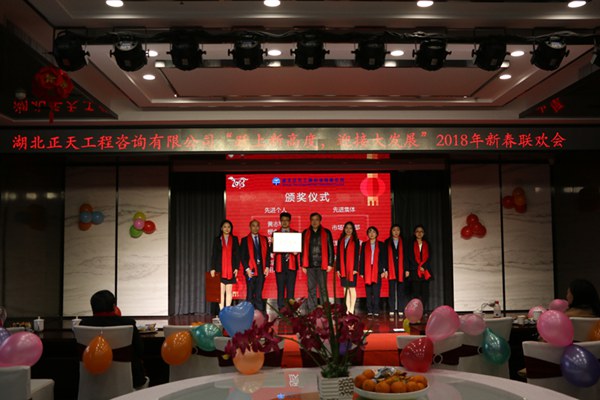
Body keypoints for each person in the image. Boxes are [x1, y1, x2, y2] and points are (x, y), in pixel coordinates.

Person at [80, 290, 147, 389]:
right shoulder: (128, 323)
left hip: (93, 381)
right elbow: (140, 351)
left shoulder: (83, 324)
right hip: (129, 381)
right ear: (114, 306)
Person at [301, 212, 334, 311]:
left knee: (323, 288)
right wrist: (303, 264)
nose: (314, 222)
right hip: (310, 265)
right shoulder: (305, 233)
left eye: (316, 220)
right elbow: (302, 249)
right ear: (310, 221)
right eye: (312, 220)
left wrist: (330, 263)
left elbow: (330, 248)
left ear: (320, 221)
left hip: (322, 264)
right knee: (311, 288)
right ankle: (312, 309)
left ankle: (326, 309)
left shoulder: (326, 232)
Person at [240, 219, 270, 312]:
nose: (255, 228)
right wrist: (247, 269)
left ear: (259, 227)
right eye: (253, 225)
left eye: (257, 226)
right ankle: (248, 313)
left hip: (261, 269)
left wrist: (267, 267)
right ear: (250, 227)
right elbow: (242, 256)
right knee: (250, 293)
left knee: (259, 293)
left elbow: (267, 254)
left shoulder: (264, 239)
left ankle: (259, 313)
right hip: (250, 270)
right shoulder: (245, 240)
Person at [210, 219, 240, 310]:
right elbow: (214, 255)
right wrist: (212, 268)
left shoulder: (234, 239)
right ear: (221, 228)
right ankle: (222, 311)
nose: (227, 229)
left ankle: (227, 311)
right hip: (220, 268)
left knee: (229, 291)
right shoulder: (217, 240)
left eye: (229, 227)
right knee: (221, 292)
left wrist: (236, 267)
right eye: (225, 227)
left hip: (231, 269)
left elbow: (237, 255)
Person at [272, 212, 299, 310]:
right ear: (280, 221)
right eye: (282, 220)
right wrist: (273, 244)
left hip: (292, 265)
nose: (284, 222)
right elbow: (271, 250)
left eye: (286, 220)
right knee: (280, 289)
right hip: (280, 265)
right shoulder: (275, 234)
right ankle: (281, 310)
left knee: (291, 289)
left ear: (290, 221)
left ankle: (291, 311)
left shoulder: (295, 234)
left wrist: (297, 251)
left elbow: (299, 249)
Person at [359, 226, 387, 317]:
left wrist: (384, 270)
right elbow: (362, 259)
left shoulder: (381, 244)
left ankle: (376, 310)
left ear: (377, 234)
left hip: (377, 270)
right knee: (368, 292)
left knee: (376, 291)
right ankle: (369, 310)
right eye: (370, 232)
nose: (371, 234)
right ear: (367, 234)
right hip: (367, 270)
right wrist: (361, 272)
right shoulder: (364, 244)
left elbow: (384, 258)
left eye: (373, 232)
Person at [336, 221, 360, 314]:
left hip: (352, 268)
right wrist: (338, 269)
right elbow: (338, 256)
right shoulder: (340, 240)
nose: (348, 230)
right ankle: (347, 310)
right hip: (343, 268)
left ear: (353, 230)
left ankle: (351, 309)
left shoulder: (356, 241)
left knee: (352, 288)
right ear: (344, 229)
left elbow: (357, 255)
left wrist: (355, 268)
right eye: (347, 228)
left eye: (350, 228)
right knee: (345, 289)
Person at [407, 224, 433, 311]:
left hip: (425, 271)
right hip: (415, 270)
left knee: (425, 293)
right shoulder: (411, 244)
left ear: (424, 233)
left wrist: (424, 266)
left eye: (421, 231)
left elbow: (430, 257)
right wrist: (418, 266)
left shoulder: (427, 244)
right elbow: (409, 257)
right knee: (416, 293)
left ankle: (423, 309)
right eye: (417, 231)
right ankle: (416, 310)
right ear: (414, 233)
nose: (419, 233)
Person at [385, 224, 409, 317]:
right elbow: (384, 257)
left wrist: (407, 269)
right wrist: (385, 270)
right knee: (391, 291)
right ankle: (391, 309)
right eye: (394, 230)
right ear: (391, 231)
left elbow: (407, 256)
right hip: (391, 269)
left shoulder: (404, 242)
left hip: (401, 269)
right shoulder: (387, 242)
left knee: (401, 290)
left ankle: (400, 309)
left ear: (400, 231)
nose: (396, 232)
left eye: (397, 230)